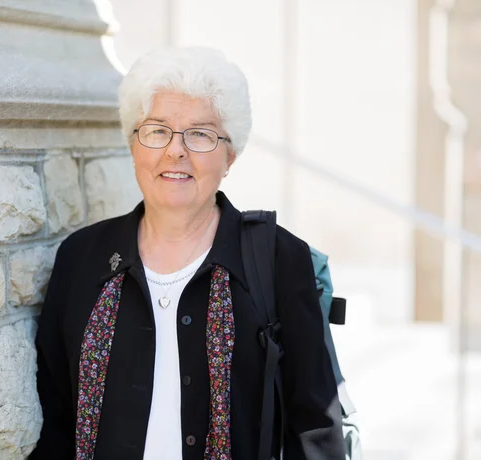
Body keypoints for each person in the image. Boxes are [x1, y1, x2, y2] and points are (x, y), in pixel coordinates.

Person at [30, 46, 345, 460]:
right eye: (157, 130)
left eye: (199, 134)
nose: (176, 151)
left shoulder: (279, 259)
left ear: (229, 156)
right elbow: (56, 420)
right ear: (133, 146)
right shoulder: (81, 260)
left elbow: (316, 427)